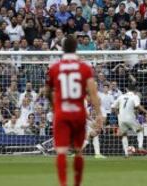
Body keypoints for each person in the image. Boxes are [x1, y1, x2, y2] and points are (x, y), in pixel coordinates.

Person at [45, 35, 103, 186]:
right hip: (78, 113)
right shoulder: (84, 68)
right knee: (78, 151)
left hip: (62, 113)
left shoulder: (55, 68)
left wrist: (54, 106)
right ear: (76, 47)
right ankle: (77, 183)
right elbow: (93, 93)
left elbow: (46, 91)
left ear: (62, 48)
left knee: (62, 151)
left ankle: (63, 183)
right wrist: (99, 114)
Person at [111, 84, 147, 157]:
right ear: (135, 91)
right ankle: (140, 146)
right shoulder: (135, 96)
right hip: (130, 117)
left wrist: (118, 114)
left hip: (121, 118)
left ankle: (126, 154)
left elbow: (113, 107)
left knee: (124, 135)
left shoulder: (121, 96)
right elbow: (137, 106)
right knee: (140, 130)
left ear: (127, 89)